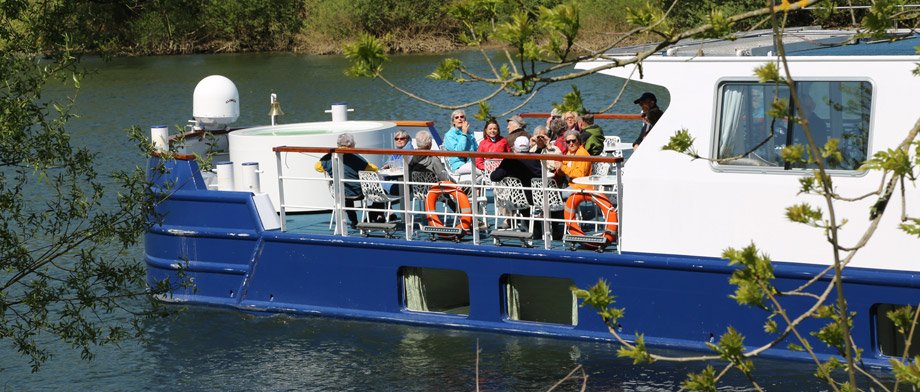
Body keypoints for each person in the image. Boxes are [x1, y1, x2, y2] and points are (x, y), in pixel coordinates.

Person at [314, 133, 384, 228]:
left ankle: (354, 221)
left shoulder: (329, 157)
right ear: (351, 145)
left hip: (338, 192)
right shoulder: (355, 157)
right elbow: (373, 168)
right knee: (380, 194)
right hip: (357, 192)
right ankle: (372, 216)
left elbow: (317, 167)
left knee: (345, 193)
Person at [490, 136, 542, 229]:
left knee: (519, 198)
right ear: (529, 146)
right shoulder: (536, 158)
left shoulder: (510, 160)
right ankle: (549, 229)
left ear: (514, 147)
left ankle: (530, 226)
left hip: (516, 198)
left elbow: (494, 177)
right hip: (537, 197)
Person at [553, 130, 592, 197]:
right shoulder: (569, 153)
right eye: (568, 142)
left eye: (573, 141)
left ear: (578, 141)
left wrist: (562, 167)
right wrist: (558, 168)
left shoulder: (582, 154)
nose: (571, 143)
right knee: (550, 191)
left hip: (580, 186)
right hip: (570, 184)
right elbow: (563, 172)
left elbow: (580, 175)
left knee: (555, 196)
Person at [442, 109, 477, 177]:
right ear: (453, 122)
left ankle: (476, 187)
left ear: (465, 120)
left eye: (462, 117)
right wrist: (464, 134)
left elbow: (476, 149)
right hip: (458, 165)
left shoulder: (469, 133)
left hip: (471, 162)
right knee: (481, 170)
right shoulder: (449, 135)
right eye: (457, 117)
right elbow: (459, 151)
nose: (460, 119)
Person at [382, 129, 413, 195]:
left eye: (401, 138)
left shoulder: (409, 151)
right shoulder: (396, 151)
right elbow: (388, 163)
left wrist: (390, 166)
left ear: (407, 139)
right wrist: (387, 165)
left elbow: (402, 166)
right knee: (378, 186)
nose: (399, 140)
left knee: (381, 187)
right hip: (395, 179)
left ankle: (381, 204)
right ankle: (382, 204)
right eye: (396, 139)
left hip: (405, 182)